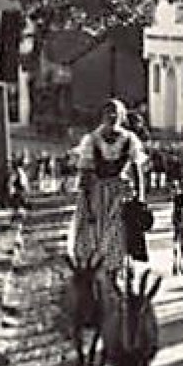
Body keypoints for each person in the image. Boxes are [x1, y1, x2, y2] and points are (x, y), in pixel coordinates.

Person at [70, 98, 148, 272]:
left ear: (122, 117)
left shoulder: (129, 139)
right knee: (94, 231)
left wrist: (140, 198)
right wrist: (87, 203)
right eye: (108, 113)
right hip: (97, 192)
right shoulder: (93, 140)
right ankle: (94, 270)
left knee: (119, 231)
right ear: (102, 116)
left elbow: (136, 168)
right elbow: (86, 173)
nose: (112, 116)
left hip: (119, 191)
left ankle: (117, 269)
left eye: (116, 113)